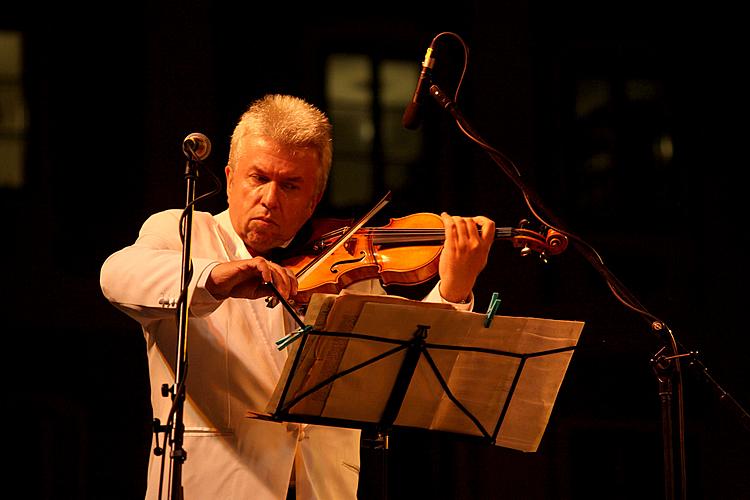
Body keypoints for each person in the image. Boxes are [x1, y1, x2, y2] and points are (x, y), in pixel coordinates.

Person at [100, 94, 495, 499]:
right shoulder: (183, 234)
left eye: (290, 185)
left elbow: (410, 377)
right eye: (258, 178)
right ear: (231, 176)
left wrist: (454, 288)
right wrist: (217, 276)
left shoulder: (349, 270)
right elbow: (118, 275)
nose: (270, 199)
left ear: (314, 199)